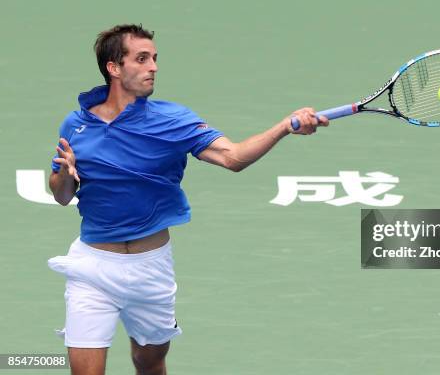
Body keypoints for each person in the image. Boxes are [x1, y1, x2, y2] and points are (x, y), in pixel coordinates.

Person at [47, 24, 328, 375]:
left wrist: (284, 127)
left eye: (155, 58)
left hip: (151, 269)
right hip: (93, 268)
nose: (154, 67)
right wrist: (63, 175)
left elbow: (233, 157)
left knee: (148, 363)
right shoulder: (75, 125)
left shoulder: (173, 120)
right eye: (142, 58)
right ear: (114, 68)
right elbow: (61, 196)